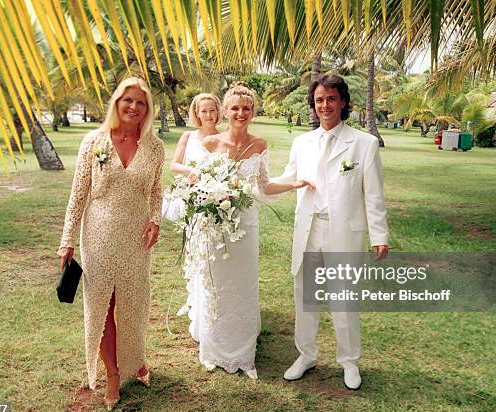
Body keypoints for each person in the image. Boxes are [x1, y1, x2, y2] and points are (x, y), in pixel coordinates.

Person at [273, 73, 389, 390]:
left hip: (344, 232)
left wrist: (379, 236)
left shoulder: (364, 144)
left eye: (331, 99)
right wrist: (257, 184)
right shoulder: (302, 143)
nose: (325, 105)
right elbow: (287, 178)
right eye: (320, 99)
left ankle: (349, 362)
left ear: (343, 102)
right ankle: (306, 355)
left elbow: (374, 194)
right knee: (305, 297)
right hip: (308, 229)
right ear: (314, 104)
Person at [191, 82, 311, 379]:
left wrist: (293, 184)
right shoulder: (208, 144)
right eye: (235, 108)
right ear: (225, 111)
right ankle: (214, 346)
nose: (240, 113)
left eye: (246, 108)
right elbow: (197, 183)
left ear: (253, 112)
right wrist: (211, 199)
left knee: (242, 285)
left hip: (245, 225)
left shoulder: (260, 145)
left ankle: (243, 349)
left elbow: (264, 185)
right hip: (215, 227)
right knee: (216, 284)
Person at [57, 77, 164, 410]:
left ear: (147, 109)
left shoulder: (155, 145)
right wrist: (67, 240)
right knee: (103, 305)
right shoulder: (94, 141)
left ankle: (136, 360)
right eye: (127, 100)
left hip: (135, 236)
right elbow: (78, 194)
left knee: (132, 304)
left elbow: (157, 191)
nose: (133, 107)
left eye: (141, 102)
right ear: (116, 102)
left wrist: (155, 220)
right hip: (99, 234)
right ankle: (113, 374)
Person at [166, 94, 222, 341]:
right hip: (192, 200)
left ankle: (212, 299)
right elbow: (174, 165)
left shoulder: (223, 137)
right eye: (204, 111)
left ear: (218, 112)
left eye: (212, 110)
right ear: (196, 113)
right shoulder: (188, 137)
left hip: (216, 202)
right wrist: (192, 171)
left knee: (213, 251)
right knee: (192, 251)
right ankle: (193, 300)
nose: (208, 115)